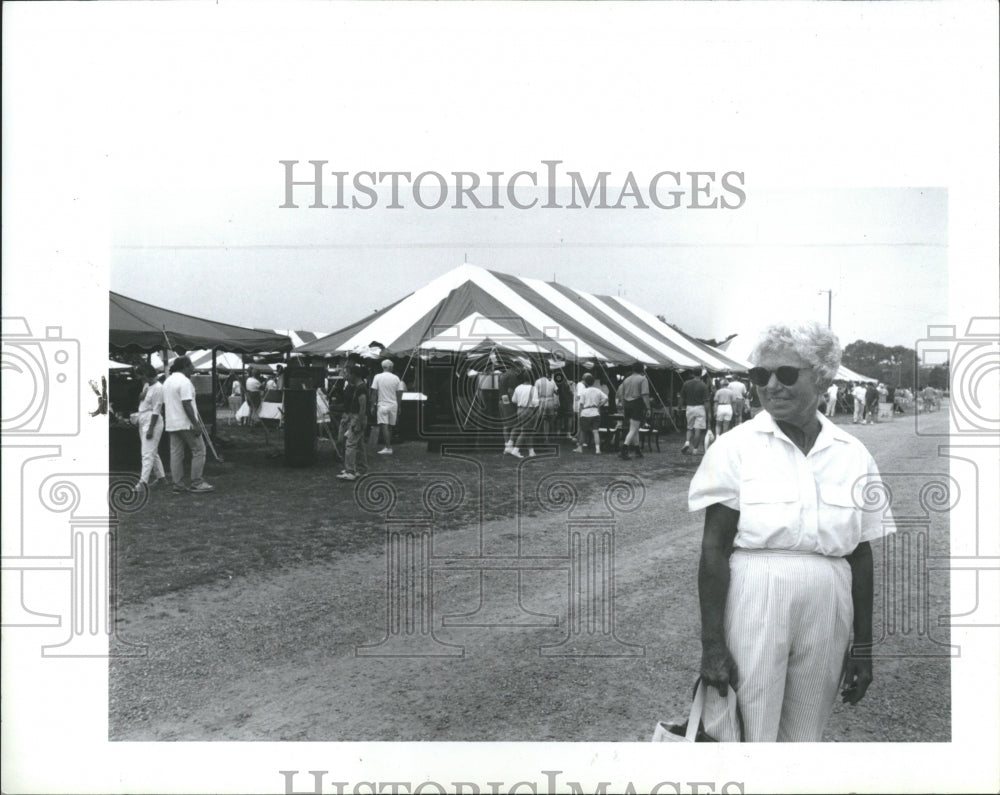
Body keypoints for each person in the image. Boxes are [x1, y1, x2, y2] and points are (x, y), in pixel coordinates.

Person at [689, 321, 893, 742]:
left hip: (828, 599)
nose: (771, 386)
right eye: (760, 375)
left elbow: (861, 552)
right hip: (756, 594)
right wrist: (712, 645)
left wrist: (865, 647)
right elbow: (713, 549)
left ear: (821, 377)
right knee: (746, 728)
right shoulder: (734, 447)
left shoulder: (853, 454)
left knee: (805, 735)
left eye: (785, 374)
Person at [162, 355, 214, 494]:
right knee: (199, 450)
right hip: (186, 423)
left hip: (172, 423)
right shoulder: (185, 382)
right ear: (185, 366)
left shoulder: (167, 381)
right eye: (191, 365)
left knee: (176, 454)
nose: (193, 368)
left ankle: (177, 485)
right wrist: (196, 424)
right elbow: (186, 403)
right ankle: (196, 482)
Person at [134, 364, 166, 492]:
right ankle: (161, 478)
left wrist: (151, 428)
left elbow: (156, 410)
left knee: (147, 453)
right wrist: (142, 395)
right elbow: (141, 399)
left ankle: (143, 483)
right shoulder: (147, 385)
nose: (140, 379)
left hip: (153, 420)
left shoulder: (159, 388)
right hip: (143, 418)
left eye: (141, 376)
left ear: (146, 375)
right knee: (151, 451)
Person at [337, 366, 369, 481]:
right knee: (359, 444)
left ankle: (350, 471)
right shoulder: (359, 387)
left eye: (348, 373)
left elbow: (363, 407)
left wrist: (359, 423)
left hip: (357, 417)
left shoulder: (361, 388)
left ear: (354, 375)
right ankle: (362, 469)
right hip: (356, 417)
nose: (346, 376)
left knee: (350, 444)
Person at [370, 359, 403, 455]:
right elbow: (399, 393)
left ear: (383, 367)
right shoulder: (396, 378)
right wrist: (399, 406)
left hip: (382, 404)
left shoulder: (377, 377)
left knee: (384, 426)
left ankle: (388, 447)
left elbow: (374, 392)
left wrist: (372, 405)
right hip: (393, 404)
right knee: (390, 427)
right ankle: (388, 446)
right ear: (390, 367)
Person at [618, 362, 651, 459]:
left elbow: (621, 394)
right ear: (642, 369)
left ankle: (637, 450)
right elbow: (645, 394)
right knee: (633, 428)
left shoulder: (626, 379)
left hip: (627, 404)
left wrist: (623, 405)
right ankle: (624, 449)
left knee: (634, 428)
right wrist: (648, 407)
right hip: (637, 403)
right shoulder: (643, 379)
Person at [572, 372, 608, 454]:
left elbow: (581, 404)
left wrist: (580, 412)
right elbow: (606, 398)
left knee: (583, 431)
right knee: (595, 431)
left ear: (585, 382)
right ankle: (598, 449)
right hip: (595, 412)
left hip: (585, 412)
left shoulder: (584, 391)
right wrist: (599, 405)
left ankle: (580, 448)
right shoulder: (597, 390)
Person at [680, 371, 710, 455]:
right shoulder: (703, 385)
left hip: (689, 407)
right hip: (700, 408)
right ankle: (695, 450)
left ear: (693, 374)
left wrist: (679, 407)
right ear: (701, 375)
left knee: (689, 428)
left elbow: (682, 397)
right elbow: (706, 401)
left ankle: (687, 442)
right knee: (698, 429)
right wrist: (708, 413)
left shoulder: (686, 384)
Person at [510, 370, 538, 459]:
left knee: (527, 431)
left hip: (519, 410)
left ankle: (531, 451)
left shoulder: (518, 387)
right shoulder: (533, 388)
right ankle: (516, 450)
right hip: (529, 410)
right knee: (525, 431)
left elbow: (513, 400)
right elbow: (535, 402)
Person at [500, 360, 523, 455]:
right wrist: (516, 402)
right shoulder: (512, 376)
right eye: (520, 368)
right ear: (516, 367)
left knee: (506, 425)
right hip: (509, 402)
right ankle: (510, 445)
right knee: (516, 424)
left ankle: (507, 446)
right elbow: (510, 390)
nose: (521, 370)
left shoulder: (503, 375)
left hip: (501, 401)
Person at [533, 367, 558, 443]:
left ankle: (539, 437)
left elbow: (535, 394)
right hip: (550, 401)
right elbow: (556, 392)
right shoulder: (552, 381)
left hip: (542, 401)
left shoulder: (537, 381)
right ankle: (552, 437)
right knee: (550, 420)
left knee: (541, 420)